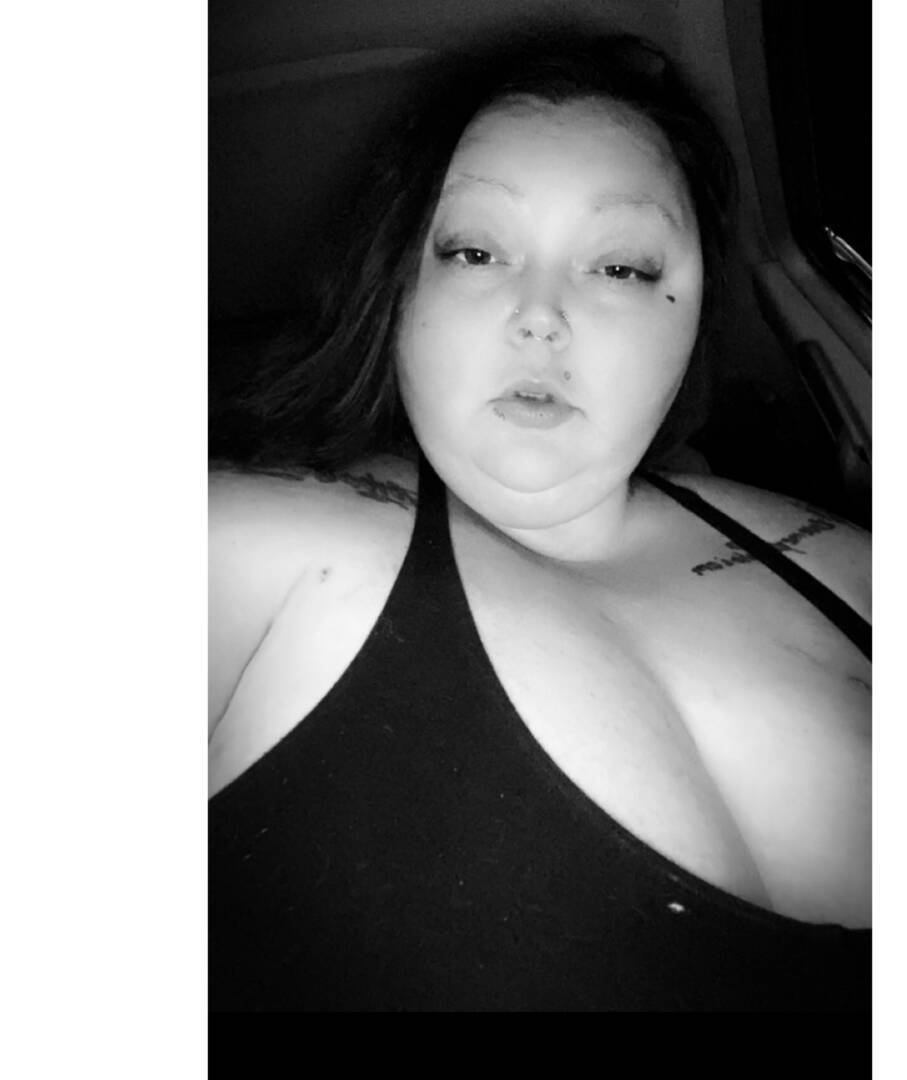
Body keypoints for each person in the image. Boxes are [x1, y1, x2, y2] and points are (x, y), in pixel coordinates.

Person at [209, 27, 871, 1012]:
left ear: (692, 318)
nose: (541, 314)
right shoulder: (255, 544)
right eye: (475, 251)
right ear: (396, 295)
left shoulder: (849, 565)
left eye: (622, 268)